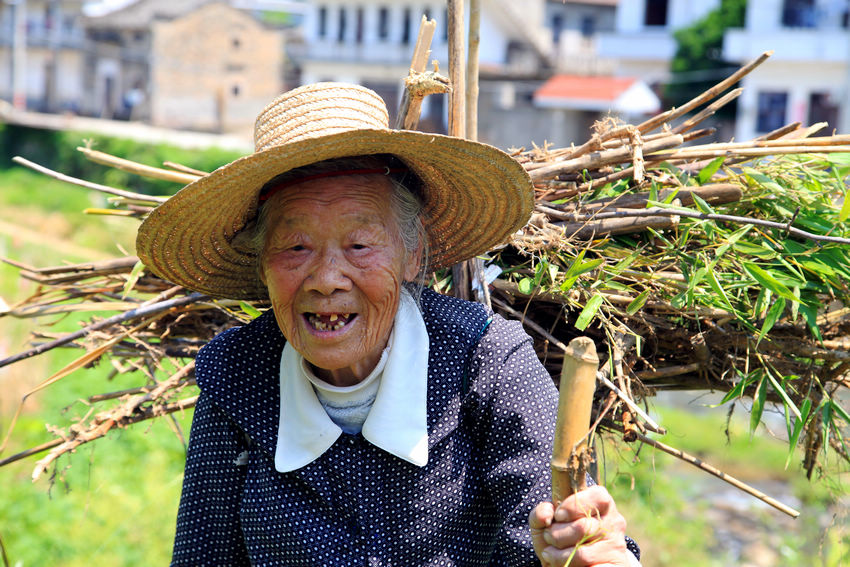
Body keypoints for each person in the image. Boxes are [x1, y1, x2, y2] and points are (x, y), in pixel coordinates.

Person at [137, 82, 641, 566]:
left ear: (411, 253)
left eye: (359, 244)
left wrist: (591, 551)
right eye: (295, 247)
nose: (327, 279)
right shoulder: (235, 375)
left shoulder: (485, 360)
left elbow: (561, 536)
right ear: (263, 265)